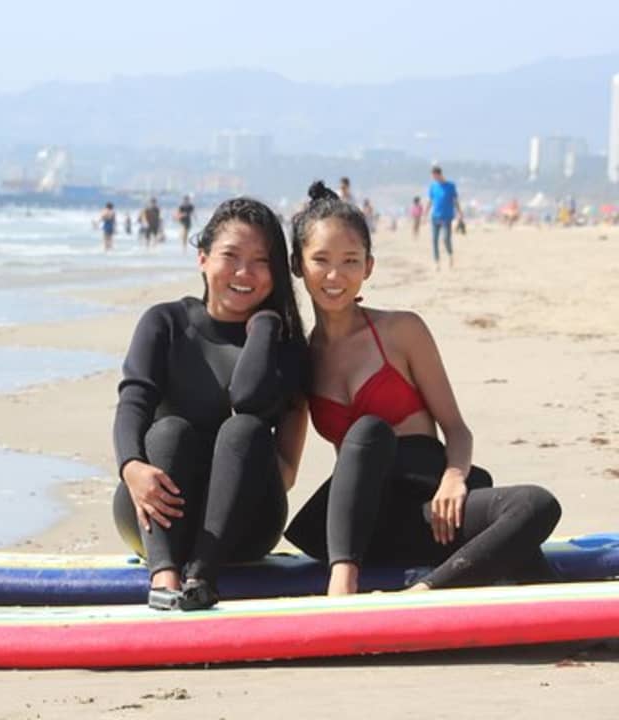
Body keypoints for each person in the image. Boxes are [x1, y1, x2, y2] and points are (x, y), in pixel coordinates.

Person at [284, 181, 561, 596]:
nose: (335, 275)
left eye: (350, 261)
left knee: (535, 505)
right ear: (297, 264)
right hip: (364, 524)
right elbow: (285, 467)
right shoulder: (301, 360)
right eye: (320, 260)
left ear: (368, 266)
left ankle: (425, 594)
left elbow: (457, 429)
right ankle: (347, 583)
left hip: (431, 506)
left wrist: (453, 478)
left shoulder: (402, 331)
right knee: (367, 433)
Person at [112, 197, 308, 610]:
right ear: (202, 258)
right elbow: (133, 402)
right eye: (230, 256)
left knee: (244, 428)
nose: (244, 272)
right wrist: (131, 468)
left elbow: (283, 467)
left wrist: (265, 328)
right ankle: (165, 577)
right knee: (169, 431)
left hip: (244, 527)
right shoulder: (165, 323)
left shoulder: (284, 346)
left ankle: (202, 576)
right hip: (153, 515)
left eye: (260, 261)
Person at [424, 166, 463, 269]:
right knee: (434, 240)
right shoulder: (433, 186)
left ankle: (450, 255)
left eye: (434, 176)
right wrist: (425, 213)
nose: (433, 178)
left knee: (446, 239)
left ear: (439, 174)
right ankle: (437, 263)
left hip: (447, 217)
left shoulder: (450, 186)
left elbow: (455, 201)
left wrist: (460, 212)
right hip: (435, 217)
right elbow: (430, 201)